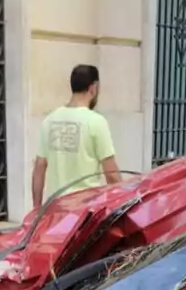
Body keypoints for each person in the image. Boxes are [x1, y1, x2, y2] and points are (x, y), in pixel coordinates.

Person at [31, 65, 121, 208]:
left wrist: (36, 208)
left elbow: (39, 167)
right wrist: (122, 202)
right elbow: (111, 174)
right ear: (94, 88)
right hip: (84, 213)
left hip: (55, 209)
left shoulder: (50, 120)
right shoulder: (96, 122)